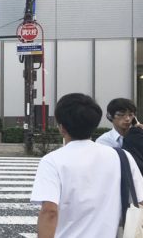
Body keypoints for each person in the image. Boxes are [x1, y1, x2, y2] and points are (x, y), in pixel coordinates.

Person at [31, 93, 143, 238]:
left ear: (61, 127)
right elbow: (139, 200)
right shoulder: (122, 157)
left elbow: (49, 212)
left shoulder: (52, 161)